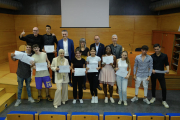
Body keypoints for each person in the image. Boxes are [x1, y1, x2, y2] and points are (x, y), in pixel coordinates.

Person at [150, 44, 169, 108]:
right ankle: (153, 97)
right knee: (153, 86)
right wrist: (152, 70)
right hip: (154, 74)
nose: (156, 50)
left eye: (157, 49)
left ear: (160, 48)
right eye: (155, 49)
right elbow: (150, 65)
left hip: (161, 74)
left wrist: (168, 69)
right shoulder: (152, 56)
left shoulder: (164, 56)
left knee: (163, 87)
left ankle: (164, 100)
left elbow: (167, 64)